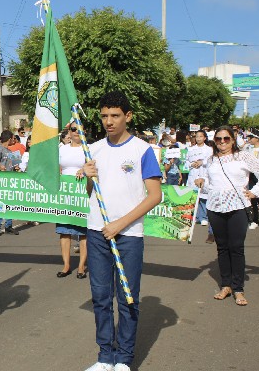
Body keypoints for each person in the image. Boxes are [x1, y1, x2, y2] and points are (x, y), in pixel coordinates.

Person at [82, 91, 162, 371]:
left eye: (115, 115)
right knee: (101, 298)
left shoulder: (142, 150)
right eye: (104, 115)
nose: (109, 121)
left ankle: (124, 359)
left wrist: (120, 223)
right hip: (97, 231)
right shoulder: (93, 149)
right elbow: (91, 192)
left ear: (128, 116)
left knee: (128, 298)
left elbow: (155, 196)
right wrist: (88, 177)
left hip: (128, 236)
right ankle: (105, 357)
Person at [195, 126, 259, 307]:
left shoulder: (244, 156)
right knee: (222, 247)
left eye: (226, 138)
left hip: (238, 207)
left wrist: (255, 192)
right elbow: (211, 183)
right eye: (218, 139)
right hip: (215, 207)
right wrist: (202, 182)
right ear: (214, 141)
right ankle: (226, 285)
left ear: (233, 140)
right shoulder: (211, 160)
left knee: (236, 247)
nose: (222, 142)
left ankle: (238, 288)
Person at [56, 122, 88, 279]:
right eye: (73, 129)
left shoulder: (89, 149)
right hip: (65, 195)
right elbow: (55, 167)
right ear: (69, 131)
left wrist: (84, 170)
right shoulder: (62, 149)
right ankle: (66, 265)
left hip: (82, 195)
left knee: (83, 232)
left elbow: (95, 167)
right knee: (64, 231)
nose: (76, 131)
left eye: (79, 128)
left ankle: (81, 266)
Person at [0, 130, 20, 236]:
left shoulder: (11, 152)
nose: (14, 140)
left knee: (10, 203)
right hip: (2, 181)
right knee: (1, 203)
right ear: (9, 139)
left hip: (10, 181)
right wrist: (0, 167)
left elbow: (16, 167)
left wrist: (17, 168)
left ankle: (8, 226)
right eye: (13, 138)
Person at [186, 130, 213, 227]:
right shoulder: (191, 149)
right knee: (193, 196)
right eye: (197, 136)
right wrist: (191, 164)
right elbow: (186, 161)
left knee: (203, 197)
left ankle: (204, 217)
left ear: (205, 138)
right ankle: (195, 216)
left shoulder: (209, 149)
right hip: (193, 173)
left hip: (203, 173)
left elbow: (211, 160)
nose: (198, 138)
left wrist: (202, 162)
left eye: (201, 136)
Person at [246, 128, 259, 229]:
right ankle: (254, 220)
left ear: (257, 138)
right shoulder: (248, 149)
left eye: (251, 137)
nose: (249, 139)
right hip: (251, 176)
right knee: (252, 199)